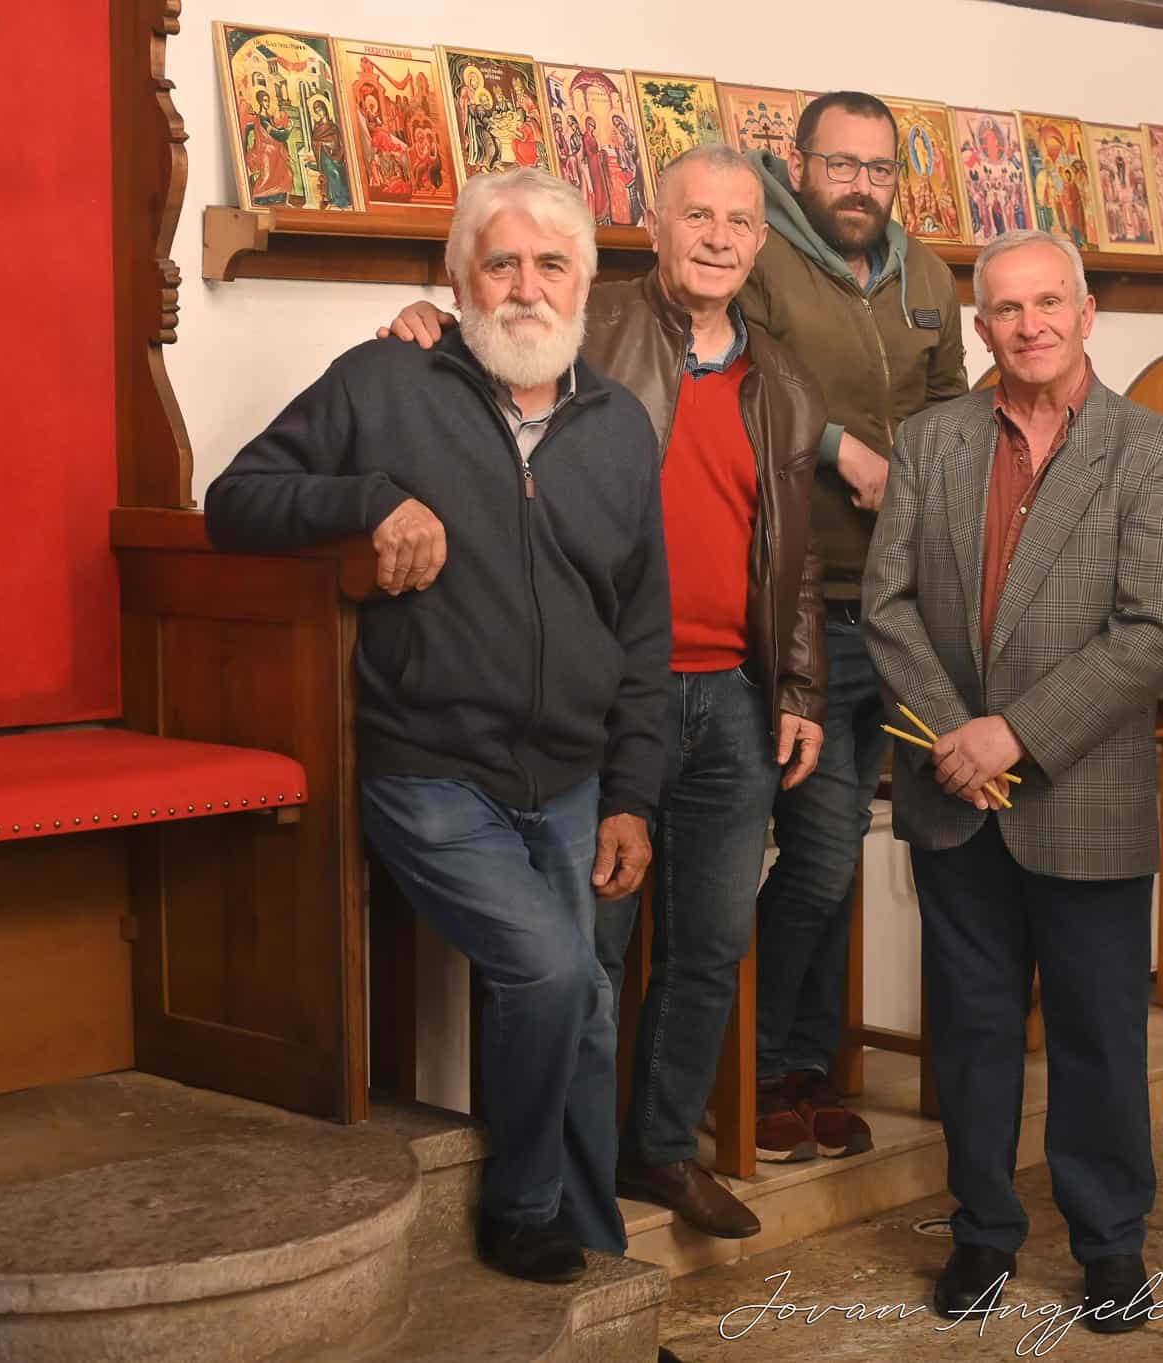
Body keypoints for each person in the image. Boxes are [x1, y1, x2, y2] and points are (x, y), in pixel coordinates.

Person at [206, 168, 670, 1283]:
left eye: (550, 264)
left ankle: (600, 1268)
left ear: (585, 286)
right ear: (458, 280)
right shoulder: (383, 381)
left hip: (571, 778)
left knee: (586, 1009)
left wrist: (631, 794)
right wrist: (366, 498)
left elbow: (642, 631)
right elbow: (235, 499)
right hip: (428, 770)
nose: (525, 287)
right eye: (499, 263)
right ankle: (522, 1210)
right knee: (553, 973)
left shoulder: (619, 427)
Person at [379, 145, 832, 1239]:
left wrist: (799, 682)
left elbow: (796, 550)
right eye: (696, 217)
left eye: (739, 222)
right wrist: (425, 320)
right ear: (653, 227)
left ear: (761, 243)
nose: (718, 238)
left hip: (731, 695)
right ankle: (555, 1181)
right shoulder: (583, 319)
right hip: (605, 694)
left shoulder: (783, 378)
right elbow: (489, 346)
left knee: (710, 943)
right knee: (587, 953)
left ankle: (658, 1150)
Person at [863, 228, 1163, 1333]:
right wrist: (954, 739)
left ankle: (1110, 1247)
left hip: (1082, 790)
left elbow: (1149, 632)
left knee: (1099, 1035)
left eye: (1049, 302)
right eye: (1008, 309)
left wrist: (1012, 734)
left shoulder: (1158, 453)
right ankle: (981, 1233)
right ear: (982, 328)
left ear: (1087, 312)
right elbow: (887, 604)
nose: (1031, 325)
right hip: (952, 790)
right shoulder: (931, 441)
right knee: (970, 1033)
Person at [742, 93, 968, 1163]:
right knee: (826, 849)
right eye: (840, 164)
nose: (860, 187)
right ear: (798, 165)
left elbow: (951, 403)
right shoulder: (759, 255)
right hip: (810, 603)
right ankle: (752, 1068)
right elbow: (744, 376)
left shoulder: (928, 276)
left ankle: (803, 1065)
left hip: (905, 606)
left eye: (879, 170)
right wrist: (839, 447)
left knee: (844, 858)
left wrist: (928, 479)